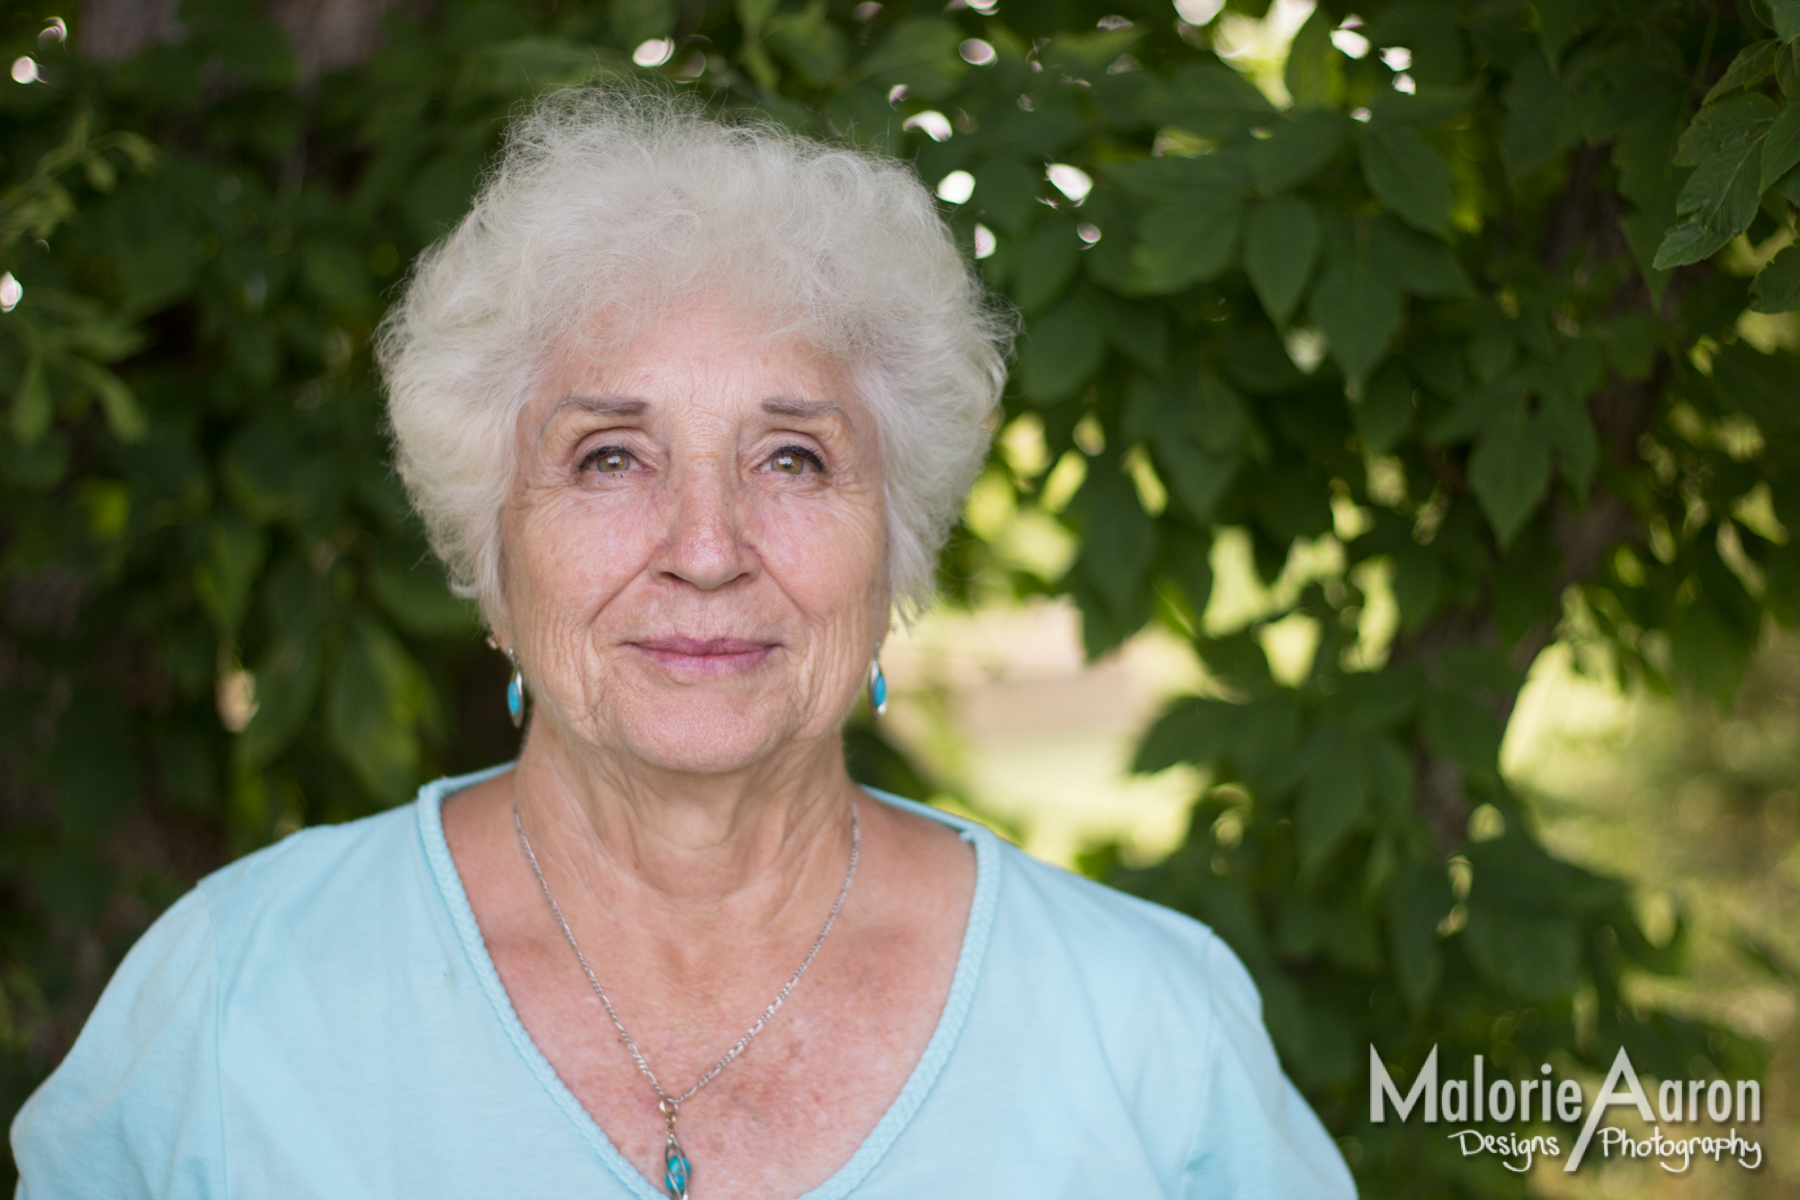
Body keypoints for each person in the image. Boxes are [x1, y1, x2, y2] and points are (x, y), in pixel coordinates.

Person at [11, 87, 1355, 1200]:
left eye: (790, 455)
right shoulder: (238, 1002)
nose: (706, 547)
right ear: (490, 553)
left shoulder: (1144, 1032)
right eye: (609, 457)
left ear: (897, 543)